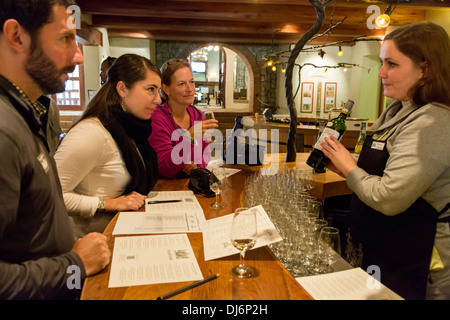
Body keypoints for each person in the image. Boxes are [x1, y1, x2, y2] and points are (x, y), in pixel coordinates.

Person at [320, 22, 450, 300]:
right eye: (381, 62)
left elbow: (390, 197)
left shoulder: (434, 120)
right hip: (386, 248)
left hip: (419, 258)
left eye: (391, 64)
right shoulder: (396, 110)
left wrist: (349, 167)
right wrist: (344, 164)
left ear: (425, 69)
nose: (381, 73)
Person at [0, 0, 110, 299]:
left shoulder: (26, 111)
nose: (78, 56)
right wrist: (74, 265)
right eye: (65, 39)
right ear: (16, 36)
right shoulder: (4, 131)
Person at [55, 53, 161, 239]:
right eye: (150, 89)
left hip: (122, 233)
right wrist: (109, 204)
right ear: (122, 89)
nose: (158, 99)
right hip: (90, 243)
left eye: (158, 90)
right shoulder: (91, 133)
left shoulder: (130, 129)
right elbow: (52, 196)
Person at [149, 58, 218, 178]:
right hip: (167, 188)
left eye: (191, 81)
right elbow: (165, 169)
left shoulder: (198, 115)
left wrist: (197, 164)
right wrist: (188, 138)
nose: (190, 89)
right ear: (166, 89)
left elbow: (206, 151)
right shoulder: (157, 117)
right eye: (181, 84)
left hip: (191, 184)